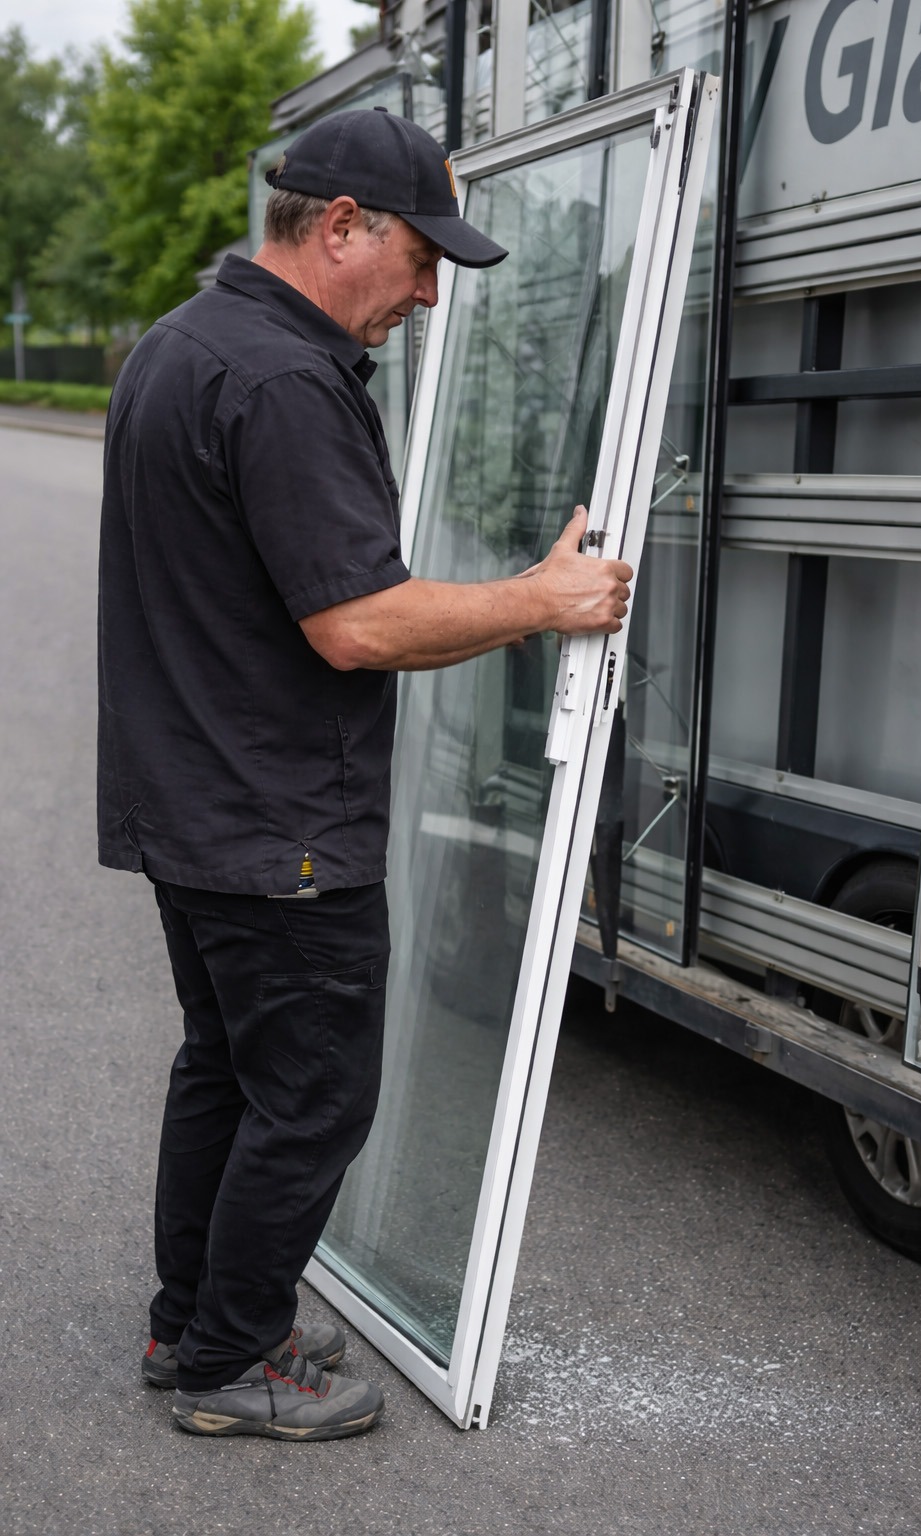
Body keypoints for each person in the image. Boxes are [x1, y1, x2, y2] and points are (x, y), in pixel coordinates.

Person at [97, 107, 632, 1442]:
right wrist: (544, 600)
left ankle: (194, 1323)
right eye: (423, 257)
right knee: (314, 1096)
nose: (433, 291)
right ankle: (231, 1360)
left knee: (227, 1069)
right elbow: (360, 622)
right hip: (279, 821)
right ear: (344, 227)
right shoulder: (282, 382)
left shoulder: (177, 346)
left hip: (191, 799)